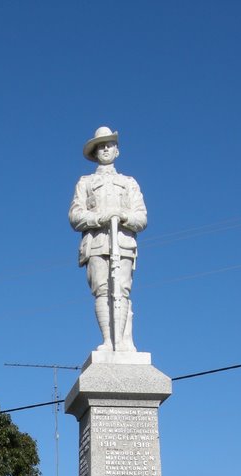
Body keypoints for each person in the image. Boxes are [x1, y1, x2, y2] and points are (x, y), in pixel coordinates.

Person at [69, 126, 147, 351]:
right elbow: (75, 215)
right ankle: (108, 340)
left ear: (117, 151)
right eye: (100, 146)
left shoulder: (129, 182)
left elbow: (141, 217)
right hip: (96, 242)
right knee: (102, 290)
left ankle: (123, 342)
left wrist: (122, 216)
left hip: (122, 243)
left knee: (121, 290)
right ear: (94, 153)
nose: (105, 149)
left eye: (109, 145)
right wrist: (99, 218)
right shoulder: (85, 182)